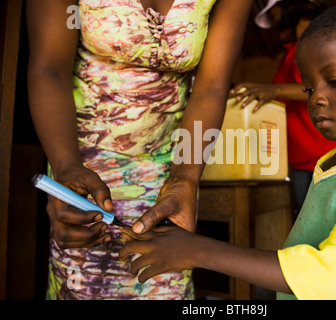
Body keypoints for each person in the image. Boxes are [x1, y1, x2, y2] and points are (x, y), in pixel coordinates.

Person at [119, 0, 336, 300]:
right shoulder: (335, 162)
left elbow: (335, 278)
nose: (316, 99)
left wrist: (199, 251)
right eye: (309, 89)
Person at [27, 0, 252, 300]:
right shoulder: (73, 170)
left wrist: (185, 179)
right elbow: (49, 69)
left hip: (170, 174)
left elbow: (211, 87)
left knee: (166, 284)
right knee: (84, 287)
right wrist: (66, 167)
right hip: (81, 170)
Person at [231, 3, 336, 213]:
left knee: (324, 220)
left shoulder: (310, 39)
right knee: (305, 218)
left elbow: (320, 88)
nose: (273, 23)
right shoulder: (291, 52)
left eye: (274, 14)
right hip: (299, 154)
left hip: (321, 150)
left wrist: (274, 90)